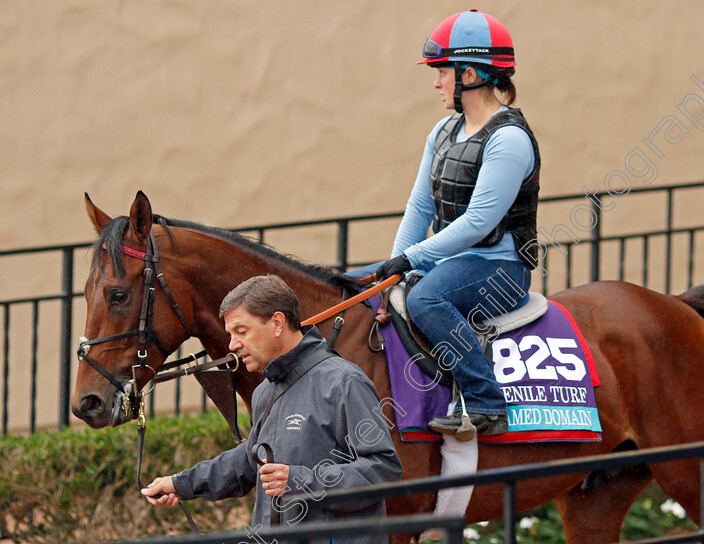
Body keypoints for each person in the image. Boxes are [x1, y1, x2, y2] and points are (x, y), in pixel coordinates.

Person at [375, 10, 540, 439]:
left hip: (501, 268)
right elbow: (418, 208)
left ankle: (487, 404)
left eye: (442, 72)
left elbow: (477, 223)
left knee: (425, 299)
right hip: (454, 262)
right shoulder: (443, 130)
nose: (436, 83)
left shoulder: (509, 139)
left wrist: (413, 260)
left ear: (469, 73)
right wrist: (395, 264)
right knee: (365, 284)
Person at [141, 275, 402, 543]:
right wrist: (181, 483)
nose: (232, 345)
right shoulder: (264, 391)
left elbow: (383, 470)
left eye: (241, 332)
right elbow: (248, 461)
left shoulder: (344, 382)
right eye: (231, 334)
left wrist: (301, 481)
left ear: (277, 323)